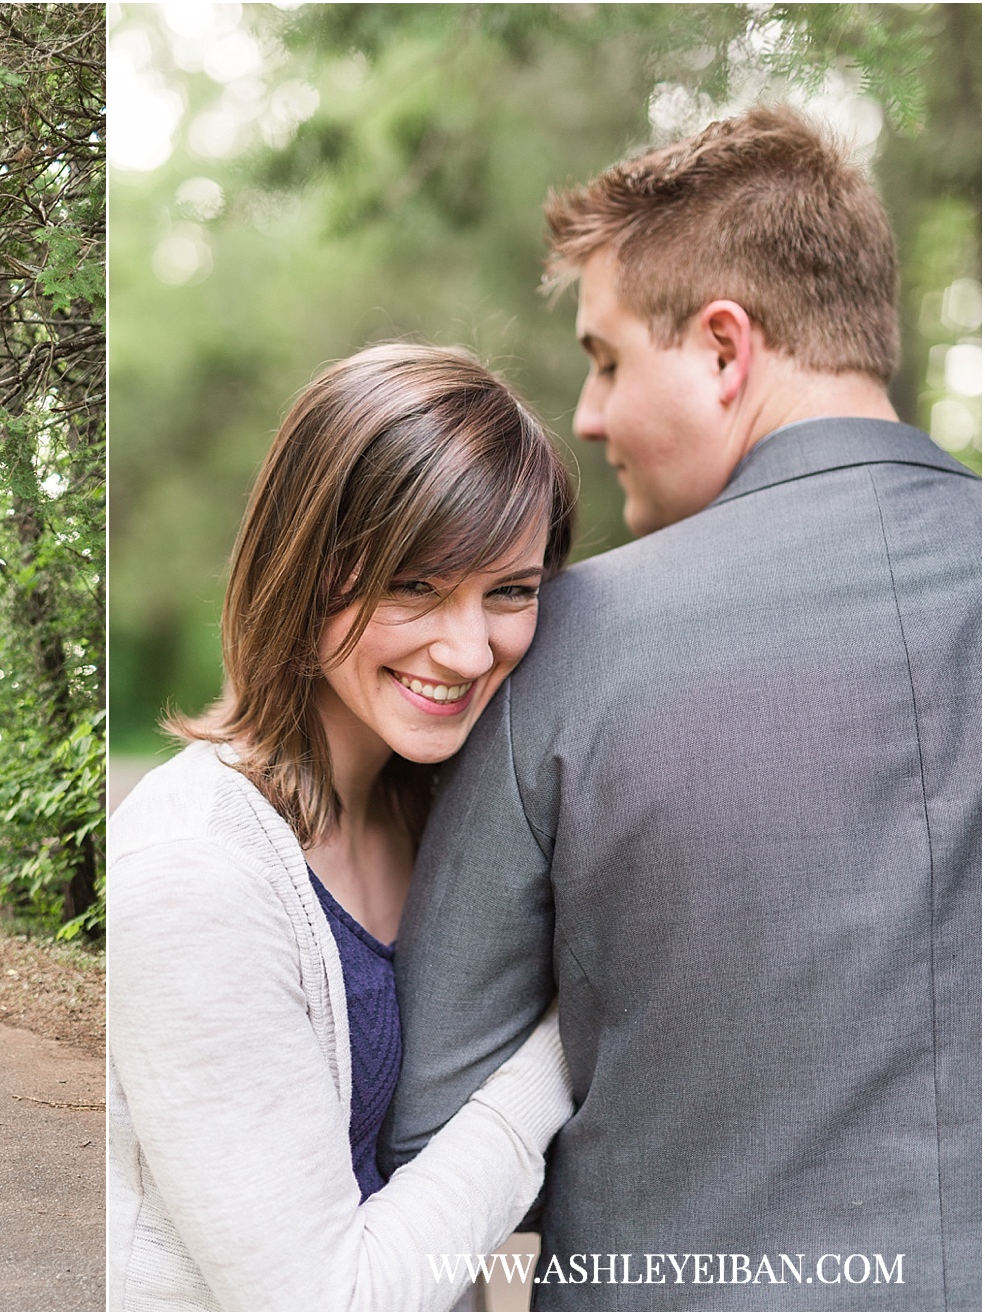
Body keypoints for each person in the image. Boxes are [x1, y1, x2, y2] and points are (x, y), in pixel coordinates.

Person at [384, 107, 981, 1311]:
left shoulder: (568, 646)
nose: (590, 414)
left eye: (605, 359)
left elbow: (435, 1124)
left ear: (724, 348)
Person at [109, 344, 580, 1310]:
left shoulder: (448, 806)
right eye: (415, 585)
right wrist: (567, 1045)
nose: (468, 646)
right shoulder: (194, 870)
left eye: (511, 590)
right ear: (305, 567)